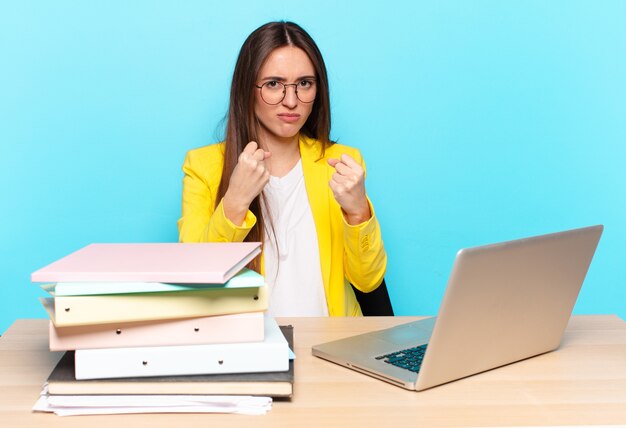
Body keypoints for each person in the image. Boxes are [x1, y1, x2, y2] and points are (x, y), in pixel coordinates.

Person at [177, 21, 386, 317]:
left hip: (331, 347)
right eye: (273, 84)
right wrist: (235, 202)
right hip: (247, 349)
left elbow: (369, 281)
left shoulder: (342, 163)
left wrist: (358, 214)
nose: (291, 101)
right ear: (246, 89)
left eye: (304, 84)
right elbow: (197, 282)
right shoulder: (203, 167)